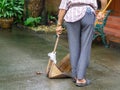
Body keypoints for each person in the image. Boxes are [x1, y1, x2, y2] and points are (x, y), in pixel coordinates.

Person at [56, 0, 107, 87]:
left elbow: (63, 8)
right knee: (85, 46)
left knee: (73, 46)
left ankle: (75, 76)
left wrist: (59, 24)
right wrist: (102, 11)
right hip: (87, 13)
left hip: (71, 14)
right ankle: (80, 79)